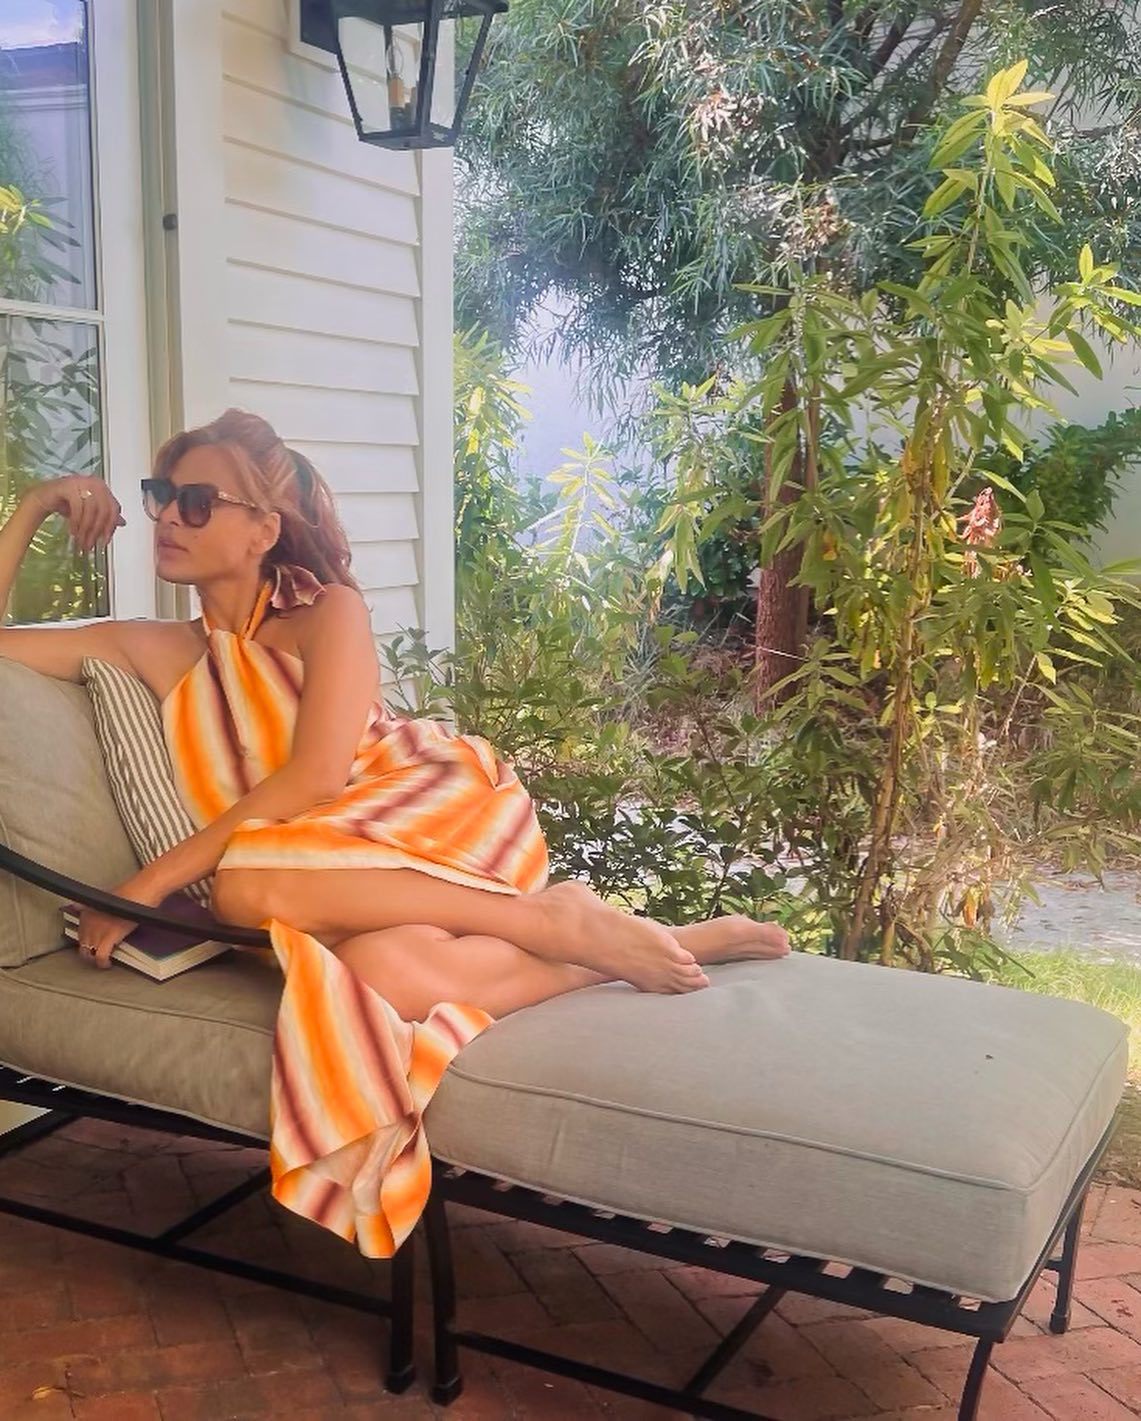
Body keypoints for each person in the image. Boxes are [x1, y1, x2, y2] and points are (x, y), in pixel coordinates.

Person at [0, 408, 789, 1252]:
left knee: (241, 883)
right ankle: (626, 946)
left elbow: (313, 777)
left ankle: (541, 917)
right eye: (162, 494)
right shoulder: (149, 647)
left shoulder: (327, 613)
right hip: (320, 874)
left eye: (198, 501)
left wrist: (146, 886)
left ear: (264, 528)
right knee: (379, 972)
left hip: (422, 803)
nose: (167, 516)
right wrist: (35, 505)